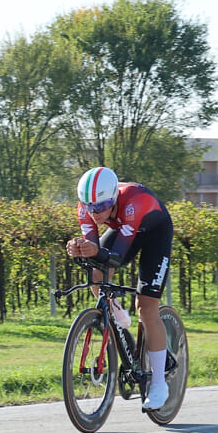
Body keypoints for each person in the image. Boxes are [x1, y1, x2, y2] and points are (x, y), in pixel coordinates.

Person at [65, 166, 173, 410]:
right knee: (95, 273)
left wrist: (96, 251)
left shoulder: (133, 201)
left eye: (101, 207)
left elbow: (116, 256)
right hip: (125, 227)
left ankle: (159, 384)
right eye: (90, 207)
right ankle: (114, 311)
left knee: (146, 308)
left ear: (113, 199)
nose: (95, 214)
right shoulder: (88, 207)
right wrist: (79, 248)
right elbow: (96, 257)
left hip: (155, 232)